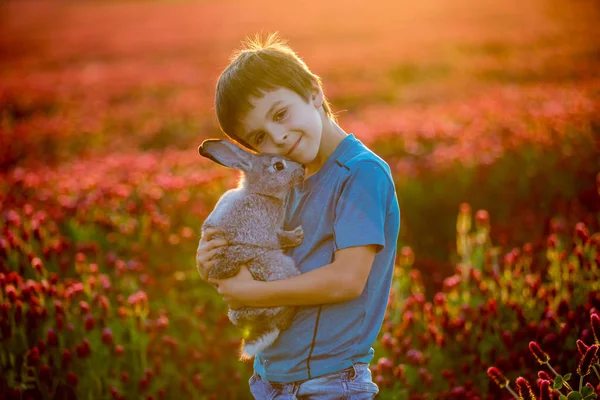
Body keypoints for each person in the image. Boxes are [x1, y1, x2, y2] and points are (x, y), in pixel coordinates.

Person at [196, 33, 400, 400]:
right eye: (259, 137)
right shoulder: (284, 183)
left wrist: (255, 294)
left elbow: (347, 280)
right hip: (269, 381)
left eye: (280, 114)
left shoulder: (360, 173)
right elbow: (256, 253)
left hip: (330, 383)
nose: (278, 137)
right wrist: (208, 263)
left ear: (313, 92)